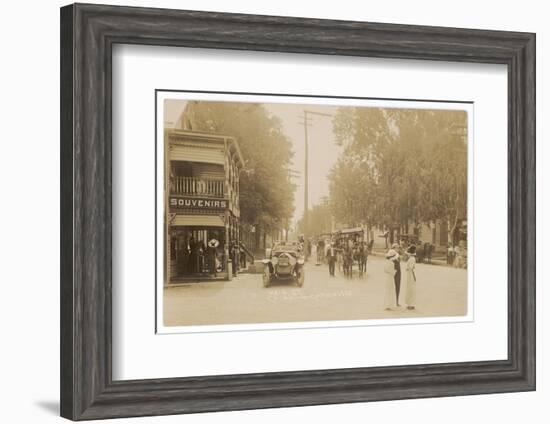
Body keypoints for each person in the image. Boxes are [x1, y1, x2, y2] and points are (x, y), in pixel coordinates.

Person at [405, 245, 417, 310]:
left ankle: (410, 304)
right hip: (410, 274)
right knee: (411, 288)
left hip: (410, 274)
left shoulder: (411, 259)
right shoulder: (412, 258)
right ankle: (410, 304)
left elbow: (409, 267)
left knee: (410, 288)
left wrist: (407, 268)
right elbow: (411, 267)